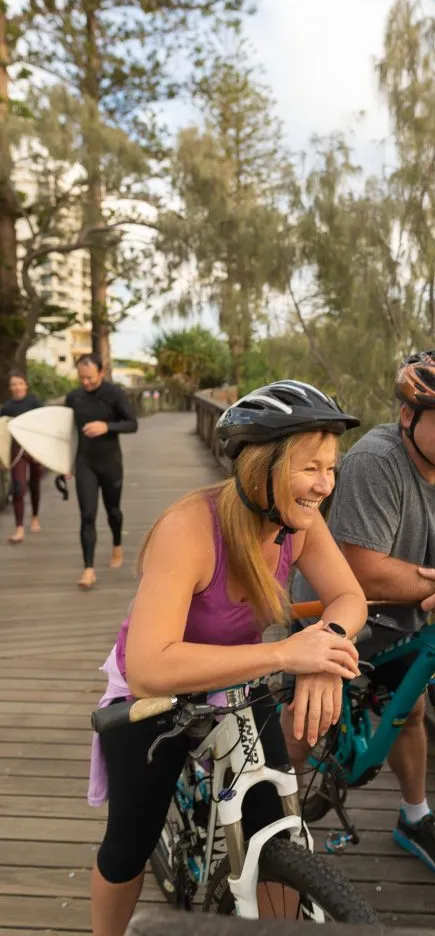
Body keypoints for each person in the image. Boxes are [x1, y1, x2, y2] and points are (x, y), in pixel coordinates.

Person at [87, 380, 368, 936]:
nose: (324, 485)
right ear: (261, 468)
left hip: (236, 676)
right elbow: (150, 666)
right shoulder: (188, 529)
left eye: (331, 468)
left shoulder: (298, 523)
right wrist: (288, 651)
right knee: (128, 843)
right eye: (311, 467)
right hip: (157, 686)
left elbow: (349, 597)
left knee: (274, 823)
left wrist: (323, 650)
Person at [290, 349, 435, 873]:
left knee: (412, 708)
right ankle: (280, 814)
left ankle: (413, 815)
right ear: (408, 418)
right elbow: (362, 569)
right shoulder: (376, 462)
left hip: (412, 614)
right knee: (308, 713)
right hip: (334, 609)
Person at [65, 353, 138, 589]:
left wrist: (106, 426)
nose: (85, 383)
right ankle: (88, 569)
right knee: (87, 515)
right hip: (84, 462)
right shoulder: (73, 398)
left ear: (101, 372)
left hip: (110, 463)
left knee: (113, 511)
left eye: (90, 378)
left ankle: (117, 543)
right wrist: (63, 464)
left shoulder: (114, 394)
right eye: (81, 378)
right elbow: (66, 433)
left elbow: (132, 424)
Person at [1, 371, 43, 544]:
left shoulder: (34, 402)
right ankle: (19, 528)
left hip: (36, 448)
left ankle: (34, 516)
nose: (16, 387)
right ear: (10, 387)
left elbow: (45, 424)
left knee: (35, 484)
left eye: (19, 383)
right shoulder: (7, 407)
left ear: (26, 385)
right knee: (18, 487)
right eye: (13, 384)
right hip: (17, 450)